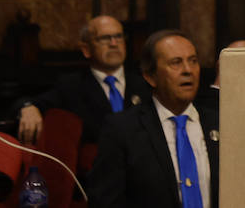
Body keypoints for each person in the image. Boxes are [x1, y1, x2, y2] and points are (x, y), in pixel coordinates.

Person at [88, 30, 219, 208]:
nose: (188, 70)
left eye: (193, 61)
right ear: (151, 76)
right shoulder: (122, 130)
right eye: (176, 63)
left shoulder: (220, 123)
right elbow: (105, 201)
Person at [15, 15, 145, 148]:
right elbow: (31, 102)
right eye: (105, 38)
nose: (114, 43)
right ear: (86, 50)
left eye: (119, 36)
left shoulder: (145, 84)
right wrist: (28, 108)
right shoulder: (72, 86)